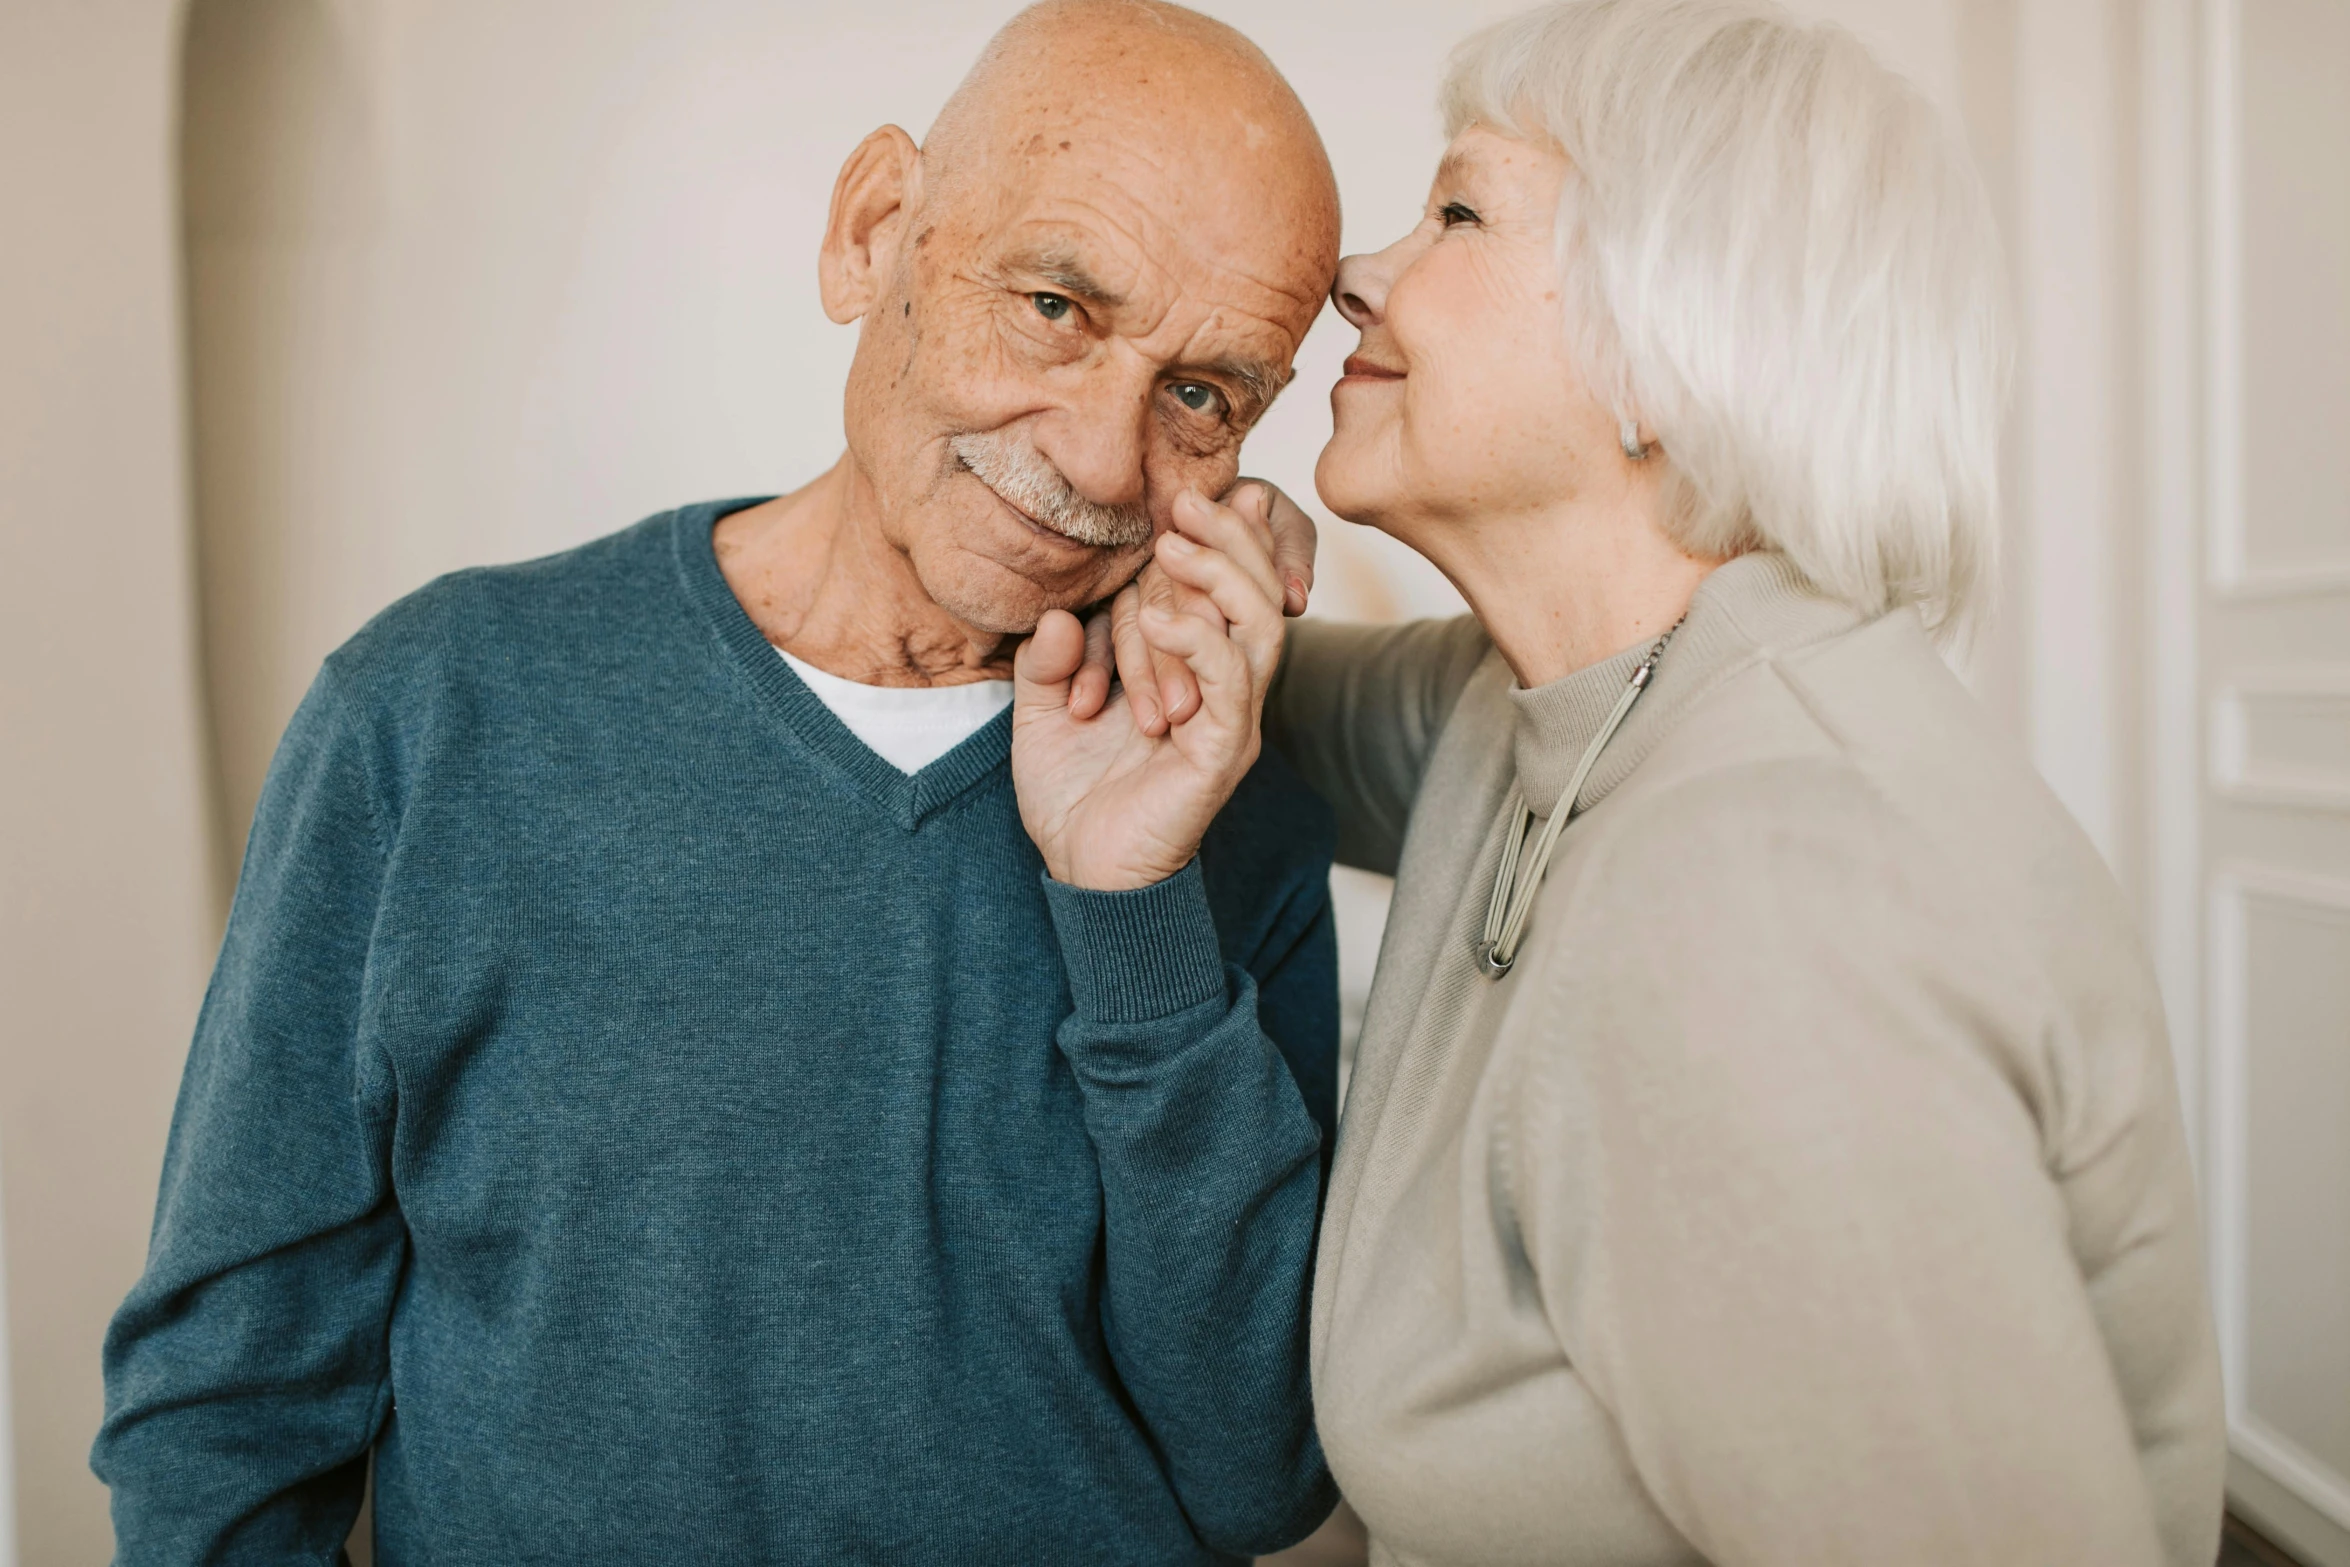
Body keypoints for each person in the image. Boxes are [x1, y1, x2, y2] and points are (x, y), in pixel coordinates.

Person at [94, 3, 1346, 1561]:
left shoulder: (1226, 810)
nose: (1100, 459)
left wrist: (1134, 905)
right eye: (1052, 305)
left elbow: (1256, 1473)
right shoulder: (432, 716)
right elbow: (225, 1404)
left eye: (1203, 395)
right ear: (872, 233)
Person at [1080, 2, 2227, 1562]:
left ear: (1677, 340)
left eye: (1462, 209)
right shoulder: (1548, 701)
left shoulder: (1764, 900)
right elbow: (1256, 715)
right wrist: (1177, 556)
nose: (1359, 270)